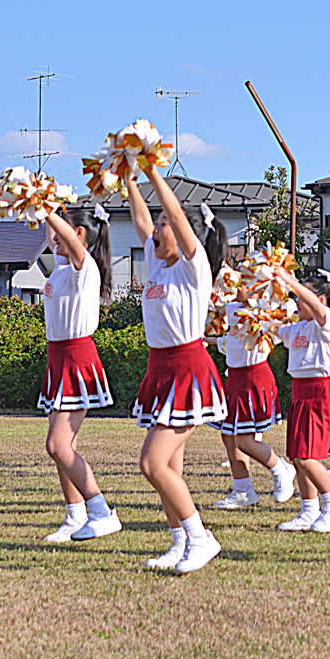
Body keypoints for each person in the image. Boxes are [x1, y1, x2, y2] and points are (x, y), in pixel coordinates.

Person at [126, 165, 228, 574]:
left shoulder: (193, 265)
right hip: (160, 369)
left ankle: (201, 538)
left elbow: (175, 214)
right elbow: (140, 219)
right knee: (170, 467)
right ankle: (179, 541)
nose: (156, 230)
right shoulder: (157, 263)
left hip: (188, 370)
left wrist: (152, 172)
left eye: (164, 224)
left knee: (152, 463)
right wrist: (128, 179)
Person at [39, 205, 122, 542]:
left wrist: (43, 206)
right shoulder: (61, 266)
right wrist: (44, 201)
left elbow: (66, 239)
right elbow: (52, 235)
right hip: (58, 357)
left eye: (64, 229)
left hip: (76, 357)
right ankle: (75, 515)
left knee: (58, 445)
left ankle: (101, 510)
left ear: (79, 234)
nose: (55, 238)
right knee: (64, 445)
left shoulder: (83, 265)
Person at [273, 269, 330, 535]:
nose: (297, 301)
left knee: (307, 457)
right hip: (300, 392)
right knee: (297, 457)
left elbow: (318, 309)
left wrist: (289, 280)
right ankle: (309, 510)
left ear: (320, 300)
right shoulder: (299, 327)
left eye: (302, 297)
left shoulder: (328, 321)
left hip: (322, 393)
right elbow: (272, 330)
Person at [208, 288, 296, 511]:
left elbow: (286, 314)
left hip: (254, 377)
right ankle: (242, 490)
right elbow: (215, 309)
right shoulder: (232, 308)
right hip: (234, 377)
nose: (236, 287)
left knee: (244, 440)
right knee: (228, 435)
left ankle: (281, 469)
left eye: (244, 282)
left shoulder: (265, 309)